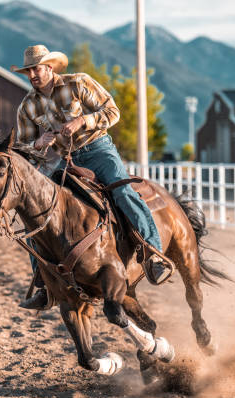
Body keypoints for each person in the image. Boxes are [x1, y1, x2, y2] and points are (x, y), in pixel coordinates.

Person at [11, 45, 173, 310]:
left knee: (122, 193)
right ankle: (43, 283)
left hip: (98, 150)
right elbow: (23, 147)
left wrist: (82, 122)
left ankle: (153, 255)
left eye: (36, 69)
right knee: (37, 211)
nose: (32, 75)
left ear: (49, 67)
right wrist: (39, 143)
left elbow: (112, 111)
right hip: (65, 160)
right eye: (28, 71)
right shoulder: (28, 106)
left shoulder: (78, 83)